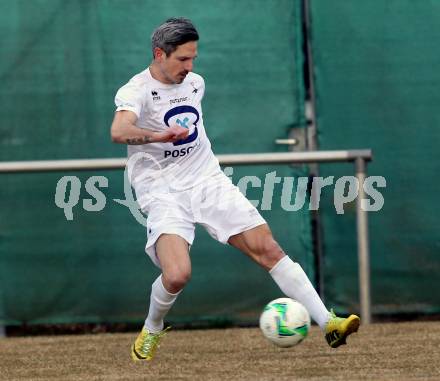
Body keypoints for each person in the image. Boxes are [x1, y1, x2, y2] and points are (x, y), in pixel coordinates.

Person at [110, 17, 360, 362]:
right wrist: (157, 136)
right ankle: (152, 329)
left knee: (268, 248)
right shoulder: (135, 90)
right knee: (178, 274)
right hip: (161, 190)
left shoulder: (196, 83)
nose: (190, 66)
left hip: (206, 180)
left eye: (193, 57)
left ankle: (328, 322)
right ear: (159, 53)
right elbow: (119, 131)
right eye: (182, 59)